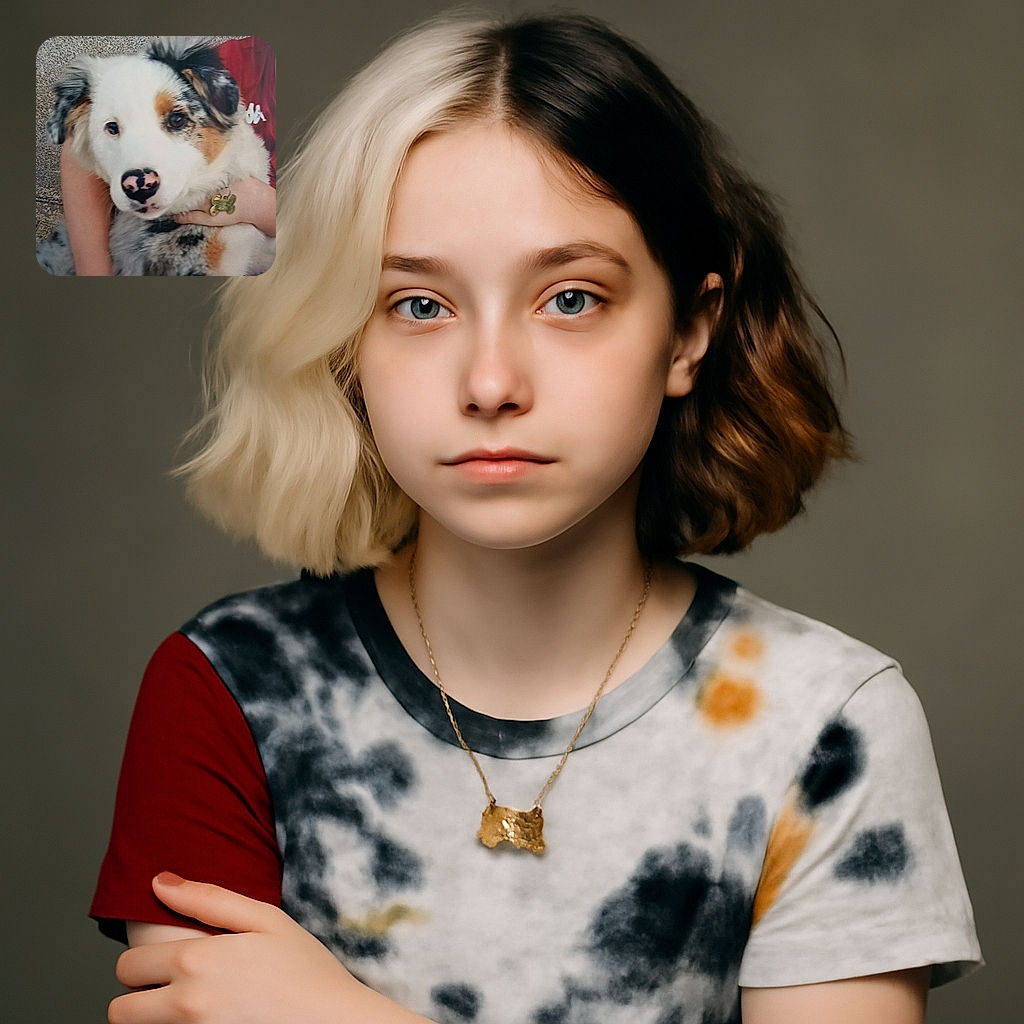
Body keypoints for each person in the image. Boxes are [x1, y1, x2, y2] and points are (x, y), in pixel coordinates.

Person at [91, 13, 981, 1024]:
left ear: (689, 330)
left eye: (569, 298)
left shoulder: (828, 724)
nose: (491, 382)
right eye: (418, 306)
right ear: (346, 343)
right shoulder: (229, 693)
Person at [54, 35, 276, 276]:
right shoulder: (222, 60)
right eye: (113, 128)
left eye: (177, 120)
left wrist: (263, 206)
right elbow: (77, 140)